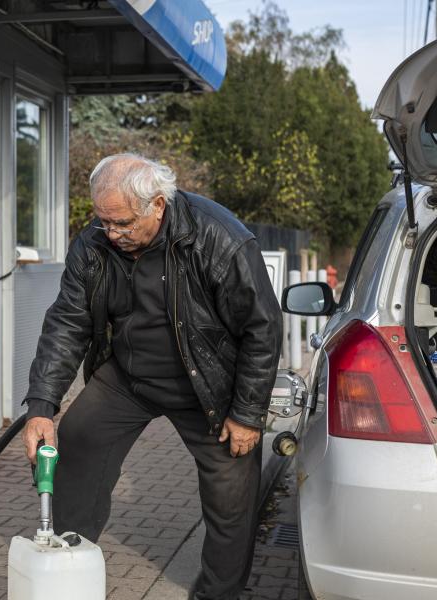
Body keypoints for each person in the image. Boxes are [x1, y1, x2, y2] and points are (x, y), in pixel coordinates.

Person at [20, 153, 283, 600]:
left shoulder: (218, 238)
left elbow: (263, 327)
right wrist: (42, 407)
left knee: (231, 496)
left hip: (211, 389)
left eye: (121, 223)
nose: (111, 234)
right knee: (79, 438)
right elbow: (67, 322)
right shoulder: (94, 243)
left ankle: (217, 594)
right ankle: (67, 568)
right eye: (103, 221)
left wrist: (249, 412)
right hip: (129, 378)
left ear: (157, 205)